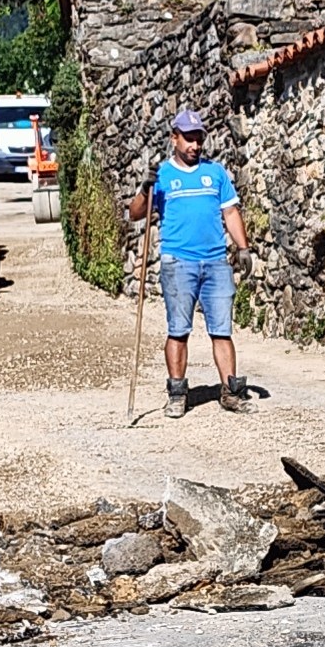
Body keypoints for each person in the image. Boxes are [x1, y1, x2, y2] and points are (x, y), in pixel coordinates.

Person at [126, 108, 251, 418]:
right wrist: (145, 189)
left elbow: (231, 212)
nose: (195, 146)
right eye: (189, 140)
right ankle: (178, 393)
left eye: (199, 140)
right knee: (179, 330)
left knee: (222, 330)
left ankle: (231, 392)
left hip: (215, 262)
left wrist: (243, 247)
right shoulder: (163, 177)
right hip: (178, 263)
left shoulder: (216, 173)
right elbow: (135, 213)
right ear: (175, 138)